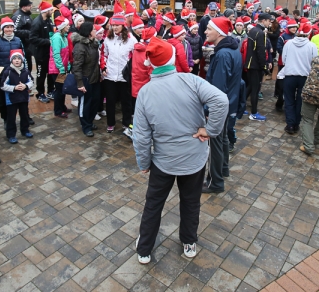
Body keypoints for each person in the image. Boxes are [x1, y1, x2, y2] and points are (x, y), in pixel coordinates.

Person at [132, 37, 228, 264]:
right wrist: (210, 130)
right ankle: (189, 242)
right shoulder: (191, 80)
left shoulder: (145, 92)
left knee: (153, 204)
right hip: (194, 158)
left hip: (163, 161)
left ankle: (144, 248)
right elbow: (221, 101)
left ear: (152, 65)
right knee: (191, 201)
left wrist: (144, 162)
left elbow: (141, 136)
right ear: (173, 58)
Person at [203, 17, 242, 194]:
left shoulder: (223, 54)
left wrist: (211, 110)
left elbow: (217, 87)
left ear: (218, 32)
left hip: (220, 105)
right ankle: (224, 169)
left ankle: (215, 182)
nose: (205, 31)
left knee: (215, 143)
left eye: (209, 29)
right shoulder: (231, 50)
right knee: (223, 138)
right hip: (229, 102)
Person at [280, 22, 317, 135]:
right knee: (300, 101)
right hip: (305, 76)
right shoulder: (312, 46)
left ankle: (290, 124)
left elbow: (284, 59)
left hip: (290, 75)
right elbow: (314, 62)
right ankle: (296, 123)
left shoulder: (289, 44)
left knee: (289, 100)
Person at [0, 17, 27, 125]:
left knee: (19, 96)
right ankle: (6, 119)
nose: (9, 29)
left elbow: (24, 56)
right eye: (6, 27)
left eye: (11, 27)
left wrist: (25, 71)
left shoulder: (18, 40)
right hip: (1, 75)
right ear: (2, 29)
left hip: (16, 74)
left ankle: (24, 117)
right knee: (2, 99)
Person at [104, 13, 136, 137]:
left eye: (117, 25)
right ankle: (110, 123)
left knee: (126, 101)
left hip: (124, 76)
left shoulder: (131, 39)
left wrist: (130, 71)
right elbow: (104, 54)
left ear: (123, 25)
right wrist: (104, 67)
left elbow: (134, 56)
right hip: (110, 75)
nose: (115, 27)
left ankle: (126, 122)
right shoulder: (108, 38)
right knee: (111, 101)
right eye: (113, 25)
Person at [71, 22, 102, 137]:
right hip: (85, 80)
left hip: (95, 79)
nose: (95, 31)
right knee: (85, 104)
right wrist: (80, 83)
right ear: (89, 32)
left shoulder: (93, 43)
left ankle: (90, 121)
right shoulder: (80, 47)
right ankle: (85, 126)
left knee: (95, 101)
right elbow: (77, 67)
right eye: (94, 29)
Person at [0, 49, 34, 143]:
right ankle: (11, 134)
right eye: (14, 59)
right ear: (11, 60)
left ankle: (25, 130)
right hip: (11, 99)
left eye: (19, 58)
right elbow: (2, 86)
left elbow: (31, 81)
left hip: (23, 98)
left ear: (22, 60)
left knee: (24, 115)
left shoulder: (26, 71)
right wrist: (14, 88)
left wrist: (25, 86)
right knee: (11, 118)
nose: (17, 60)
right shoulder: (7, 72)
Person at [245, 13, 273, 121]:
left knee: (250, 87)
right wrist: (264, 66)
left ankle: (241, 107)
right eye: (269, 21)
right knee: (255, 89)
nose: (269, 23)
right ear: (264, 20)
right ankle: (254, 113)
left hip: (250, 63)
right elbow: (261, 51)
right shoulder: (260, 33)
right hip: (256, 65)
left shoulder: (253, 30)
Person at [30, 1, 55, 102]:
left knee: (50, 72)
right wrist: (48, 41)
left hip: (48, 52)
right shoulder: (37, 22)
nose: (52, 11)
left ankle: (50, 91)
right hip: (40, 53)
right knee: (41, 74)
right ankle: (40, 93)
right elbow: (32, 39)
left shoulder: (48, 20)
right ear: (45, 11)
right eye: (50, 10)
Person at [49, 16, 72, 118]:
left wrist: (68, 64)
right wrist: (61, 68)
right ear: (62, 26)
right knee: (59, 90)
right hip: (57, 69)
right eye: (67, 25)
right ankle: (58, 110)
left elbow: (65, 53)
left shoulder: (63, 36)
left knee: (63, 88)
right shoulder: (57, 37)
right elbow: (56, 54)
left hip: (62, 68)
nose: (69, 26)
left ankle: (62, 107)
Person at [12, 0, 34, 71]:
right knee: (25, 66)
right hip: (22, 45)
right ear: (24, 7)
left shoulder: (26, 15)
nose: (31, 6)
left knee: (29, 66)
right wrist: (29, 33)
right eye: (29, 5)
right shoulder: (18, 16)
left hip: (28, 45)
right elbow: (15, 31)